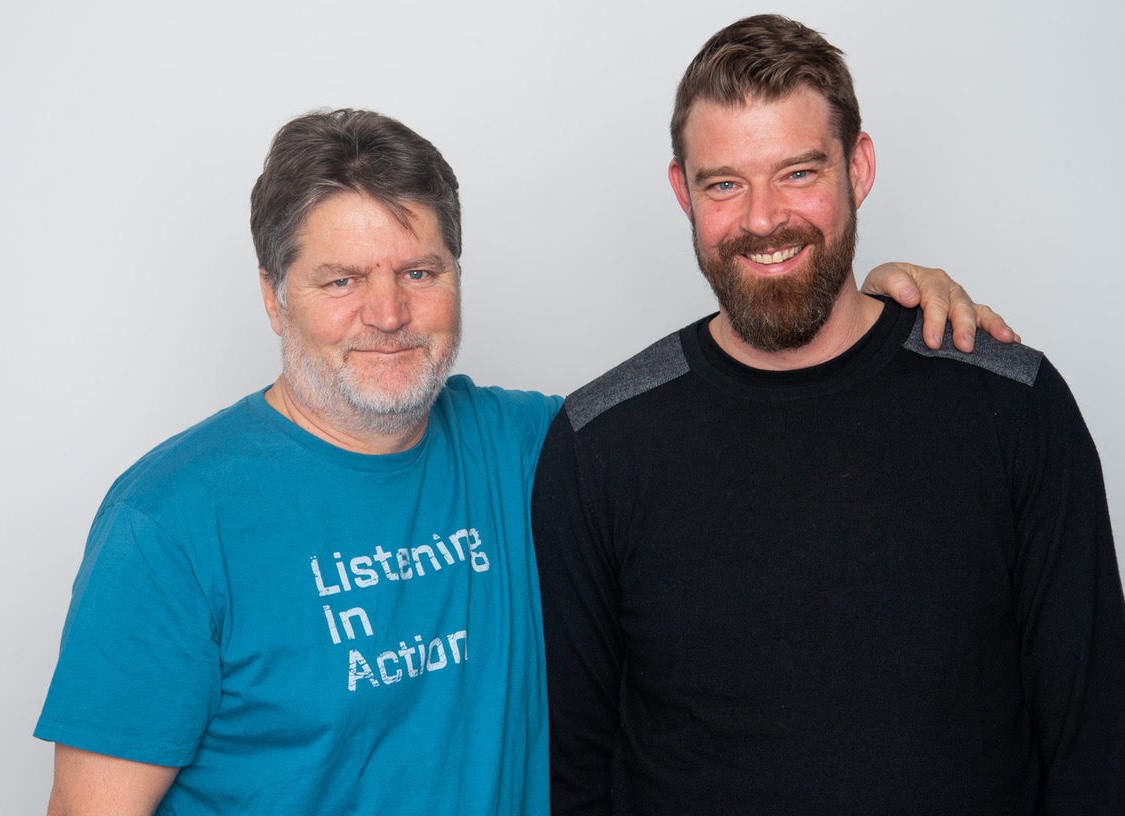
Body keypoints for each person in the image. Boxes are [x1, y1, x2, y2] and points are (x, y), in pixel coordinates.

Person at [35, 108, 1005, 816]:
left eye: (420, 272)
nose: (387, 313)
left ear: (457, 274)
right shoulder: (170, 522)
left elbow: (736, 415)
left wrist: (862, 307)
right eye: (341, 280)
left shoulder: (543, 447)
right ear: (271, 291)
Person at [532, 15, 1125, 815]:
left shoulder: (1010, 405)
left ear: (858, 165)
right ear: (682, 191)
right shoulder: (597, 442)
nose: (762, 218)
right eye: (723, 183)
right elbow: (575, 769)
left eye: (798, 172)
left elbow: (1094, 740)